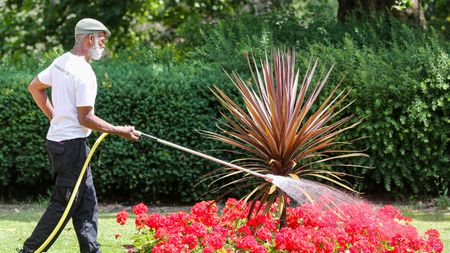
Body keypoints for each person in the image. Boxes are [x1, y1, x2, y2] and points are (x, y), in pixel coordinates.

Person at [18, 18, 140, 253]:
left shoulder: (61, 61)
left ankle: (91, 250)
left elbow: (35, 87)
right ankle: (29, 251)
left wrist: (55, 117)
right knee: (63, 205)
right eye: (102, 39)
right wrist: (118, 130)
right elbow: (86, 119)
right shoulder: (84, 73)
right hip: (71, 147)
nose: (104, 44)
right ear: (89, 38)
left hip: (61, 142)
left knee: (86, 202)